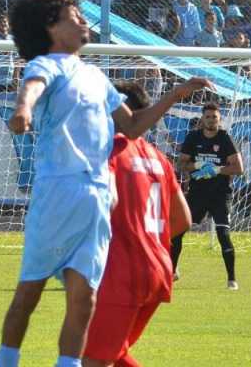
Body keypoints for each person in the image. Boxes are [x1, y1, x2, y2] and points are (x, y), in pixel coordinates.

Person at [0, 0, 211, 367]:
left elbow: (132, 126)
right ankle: (6, 359)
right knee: (29, 292)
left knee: (85, 299)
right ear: (50, 27)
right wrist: (23, 109)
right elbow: (32, 86)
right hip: (59, 192)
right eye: (71, 15)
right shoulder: (47, 64)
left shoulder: (96, 77)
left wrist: (175, 95)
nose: (82, 19)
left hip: (97, 198)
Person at [82, 82, 193, 367]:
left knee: (93, 361)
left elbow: (101, 204)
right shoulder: (159, 158)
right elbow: (183, 220)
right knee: (114, 353)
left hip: (122, 271)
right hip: (157, 269)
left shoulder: (110, 151)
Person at [170, 103, 245, 290]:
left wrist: (217, 170)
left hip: (220, 195)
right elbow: (181, 164)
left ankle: (231, 280)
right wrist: (197, 166)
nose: (212, 120)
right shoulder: (193, 137)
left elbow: (239, 168)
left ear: (220, 119)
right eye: (208, 117)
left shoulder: (225, 138)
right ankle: (172, 271)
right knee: (177, 230)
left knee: (223, 233)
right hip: (197, 194)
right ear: (203, 119)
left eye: (215, 117)